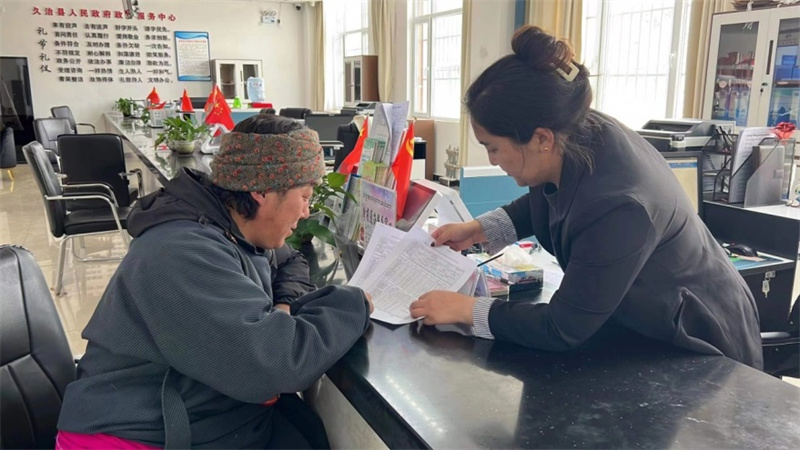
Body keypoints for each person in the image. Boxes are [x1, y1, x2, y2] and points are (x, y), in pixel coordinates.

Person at [409, 26, 763, 369]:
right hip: (639, 323)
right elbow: (551, 196)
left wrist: (466, 310)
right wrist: (478, 229)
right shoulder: (569, 131)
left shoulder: (619, 206)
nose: (492, 161)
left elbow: (561, 328)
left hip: (696, 342)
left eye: (494, 148)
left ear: (541, 139)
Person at [57, 115, 374, 449]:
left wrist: (283, 306)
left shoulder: (233, 224)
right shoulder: (183, 251)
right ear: (262, 191)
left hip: (201, 412)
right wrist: (352, 303)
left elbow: (289, 260)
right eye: (305, 196)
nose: (307, 212)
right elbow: (278, 364)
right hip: (136, 433)